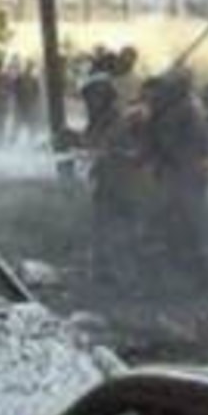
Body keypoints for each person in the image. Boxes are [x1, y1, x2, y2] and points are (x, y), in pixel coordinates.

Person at [141, 68, 208, 283]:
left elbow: (167, 142)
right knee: (178, 226)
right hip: (180, 173)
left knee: (178, 225)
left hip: (181, 174)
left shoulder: (182, 111)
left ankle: (194, 275)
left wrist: (151, 155)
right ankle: (186, 272)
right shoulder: (182, 108)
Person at [83, 74, 147, 290]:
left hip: (125, 183)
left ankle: (132, 280)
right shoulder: (99, 118)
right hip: (105, 181)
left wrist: (118, 153)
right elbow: (92, 142)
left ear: (107, 95)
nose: (93, 100)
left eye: (97, 95)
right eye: (90, 96)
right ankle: (103, 272)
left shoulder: (122, 119)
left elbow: (139, 151)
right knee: (100, 228)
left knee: (126, 233)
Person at [13, 61, 42, 143]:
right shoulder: (19, 79)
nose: (28, 70)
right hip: (21, 105)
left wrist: (34, 103)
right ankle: (12, 141)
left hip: (29, 106)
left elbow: (37, 93)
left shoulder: (33, 80)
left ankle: (31, 141)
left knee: (31, 126)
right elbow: (15, 91)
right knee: (17, 125)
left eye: (29, 68)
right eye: (27, 68)